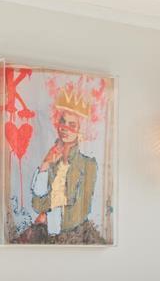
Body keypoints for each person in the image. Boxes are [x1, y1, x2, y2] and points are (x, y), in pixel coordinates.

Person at [23, 86, 101, 243]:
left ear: (81, 130)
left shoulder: (88, 165)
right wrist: (45, 164)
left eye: (72, 125)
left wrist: (48, 217)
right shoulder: (52, 160)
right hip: (44, 231)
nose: (65, 128)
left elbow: (81, 210)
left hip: (73, 234)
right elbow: (37, 203)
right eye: (63, 122)